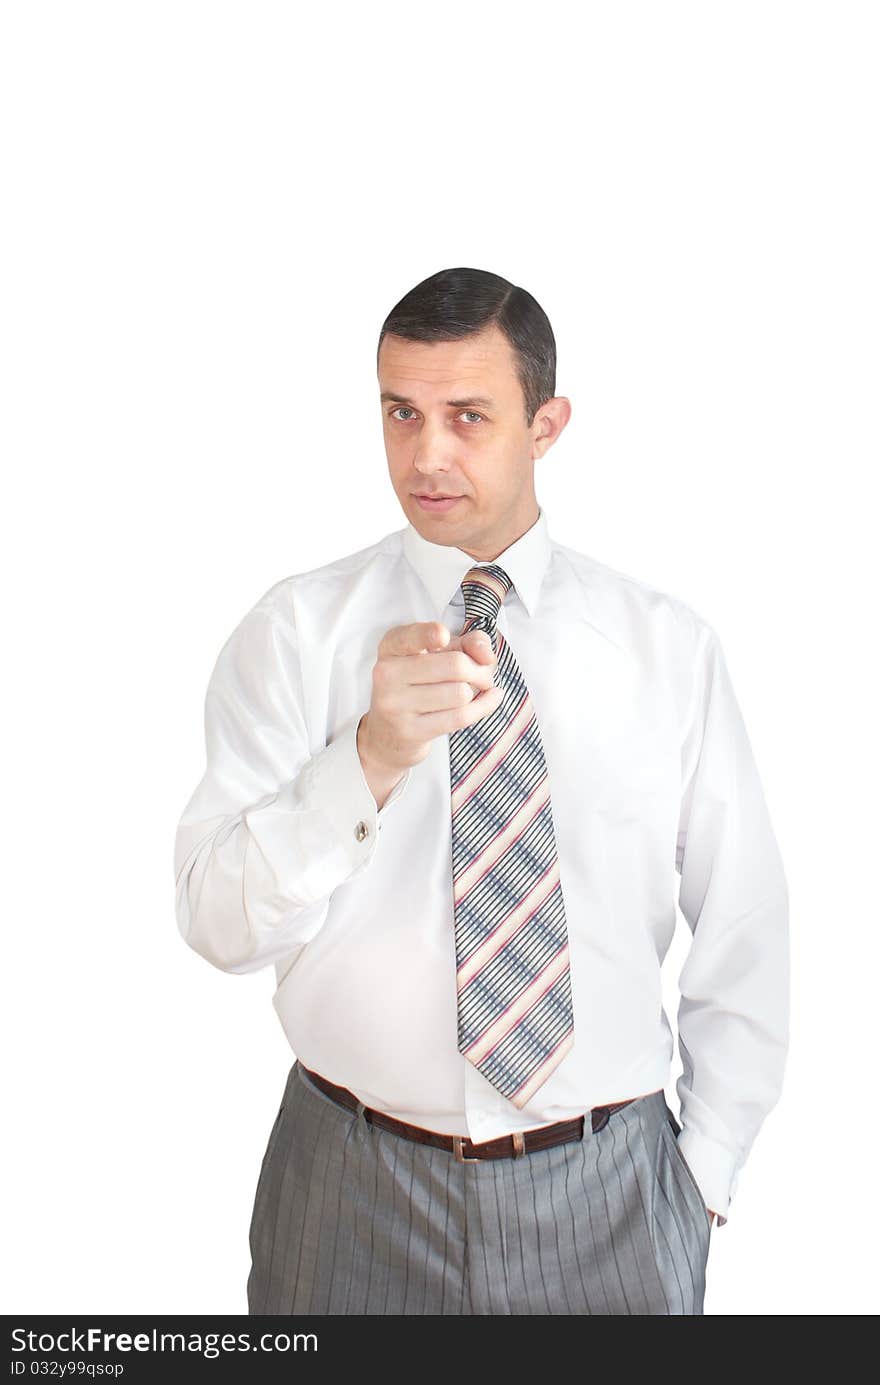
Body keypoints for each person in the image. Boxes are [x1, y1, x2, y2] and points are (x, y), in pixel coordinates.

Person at [173, 266, 789, 1316]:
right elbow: (217, 925)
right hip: (347, 1189)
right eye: (400, 412)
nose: (425, 455)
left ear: (545, 424)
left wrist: (704, 1179)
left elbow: (745, 924)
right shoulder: (294, 634)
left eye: (468, 415)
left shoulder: (664, 648)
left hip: (613, 1194)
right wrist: (364, 756)